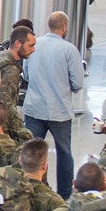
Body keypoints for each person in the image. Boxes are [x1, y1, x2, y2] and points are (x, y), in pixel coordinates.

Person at [22, 10, 85, 192]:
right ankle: (64, 195)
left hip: (34, 108)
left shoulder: (35, 45)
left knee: (31, 152)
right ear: (64, 27)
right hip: (59, 111)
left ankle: (32, 188)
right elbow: (77, 82)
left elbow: (26, 74)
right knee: (64, 153)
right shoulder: (69, 50)